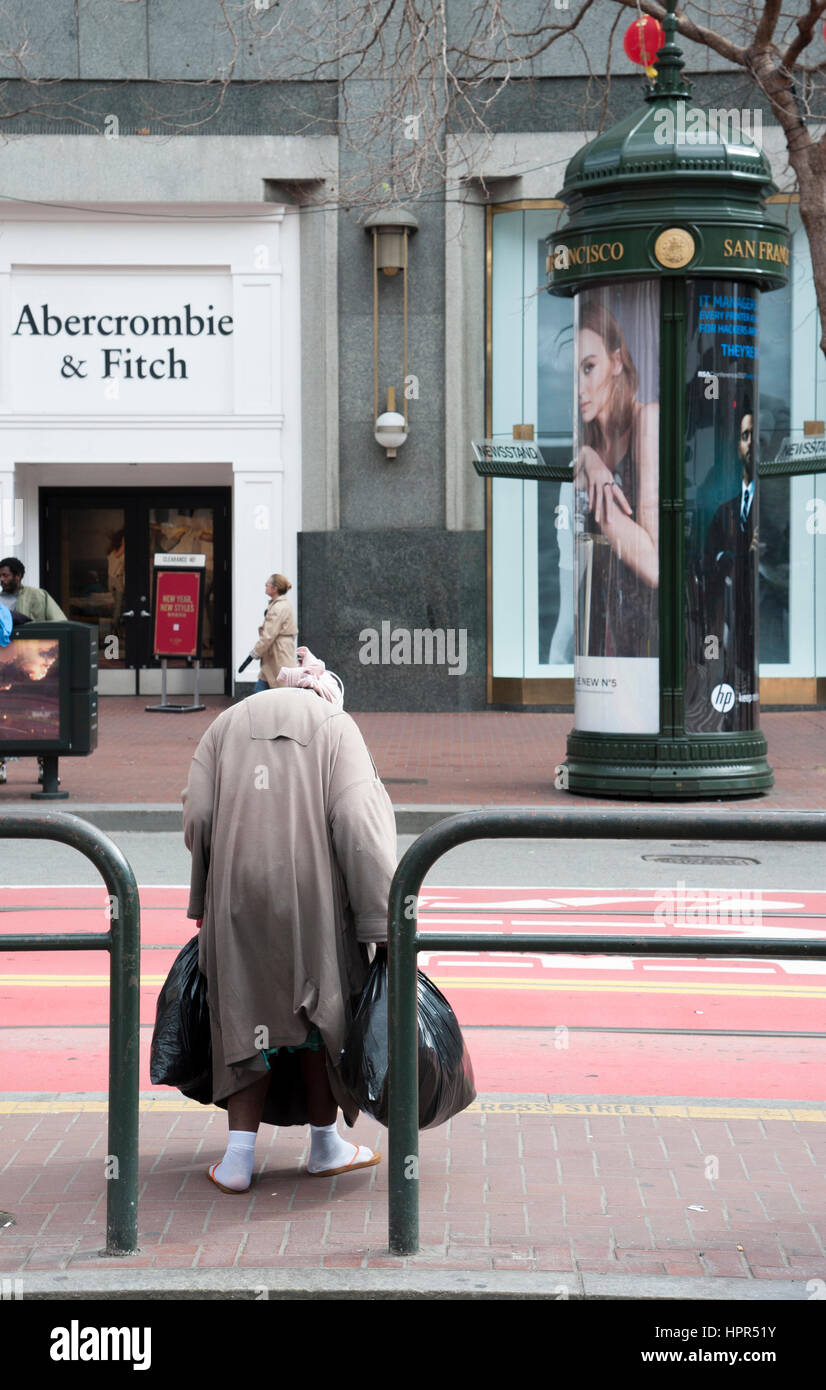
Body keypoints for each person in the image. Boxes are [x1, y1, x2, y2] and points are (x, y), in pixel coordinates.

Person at [182, 647, 397, 1193]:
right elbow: (359, 824)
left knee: (245, 1013)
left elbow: (199, 815)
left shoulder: (225, 723)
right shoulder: (336, 724)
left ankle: (237, 1160)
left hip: (236, 893)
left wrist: (204, 898)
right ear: (325, 692)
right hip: (313, 897)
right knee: (317, 1016)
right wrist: (381, 921)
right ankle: (326, 1147)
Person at [573, 302, 659, 658]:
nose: (579, 388)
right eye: (572, 374)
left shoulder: (648, 421)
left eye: (589, 368)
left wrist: (601, 498)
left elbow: (658, 569)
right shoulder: (588, 448)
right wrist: (590, 460)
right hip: (600, 614)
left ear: (617, 362)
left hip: (647, 622)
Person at [703, 407, 758, 708]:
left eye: (755, 435)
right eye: (745, 436)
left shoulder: (775, 503)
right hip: (729, 610)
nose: (750, 443)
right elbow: (709, 558)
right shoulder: (726, 509)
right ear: (738, 446)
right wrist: (738, 556)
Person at [250, 572, 297, 693]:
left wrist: (256, 651)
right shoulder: (279, 605)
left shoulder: (278, 607)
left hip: (278, 655)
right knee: (263, 690)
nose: (265, 586)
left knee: (281, 692)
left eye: (267, 584)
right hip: (275, 656)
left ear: (275, 588)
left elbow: (269, 635)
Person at [0, 557, 67, 622]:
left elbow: (60, 622)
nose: (1, 579)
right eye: (0, 576)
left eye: (5, 575)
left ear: (18, 576)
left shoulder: (38, 595)